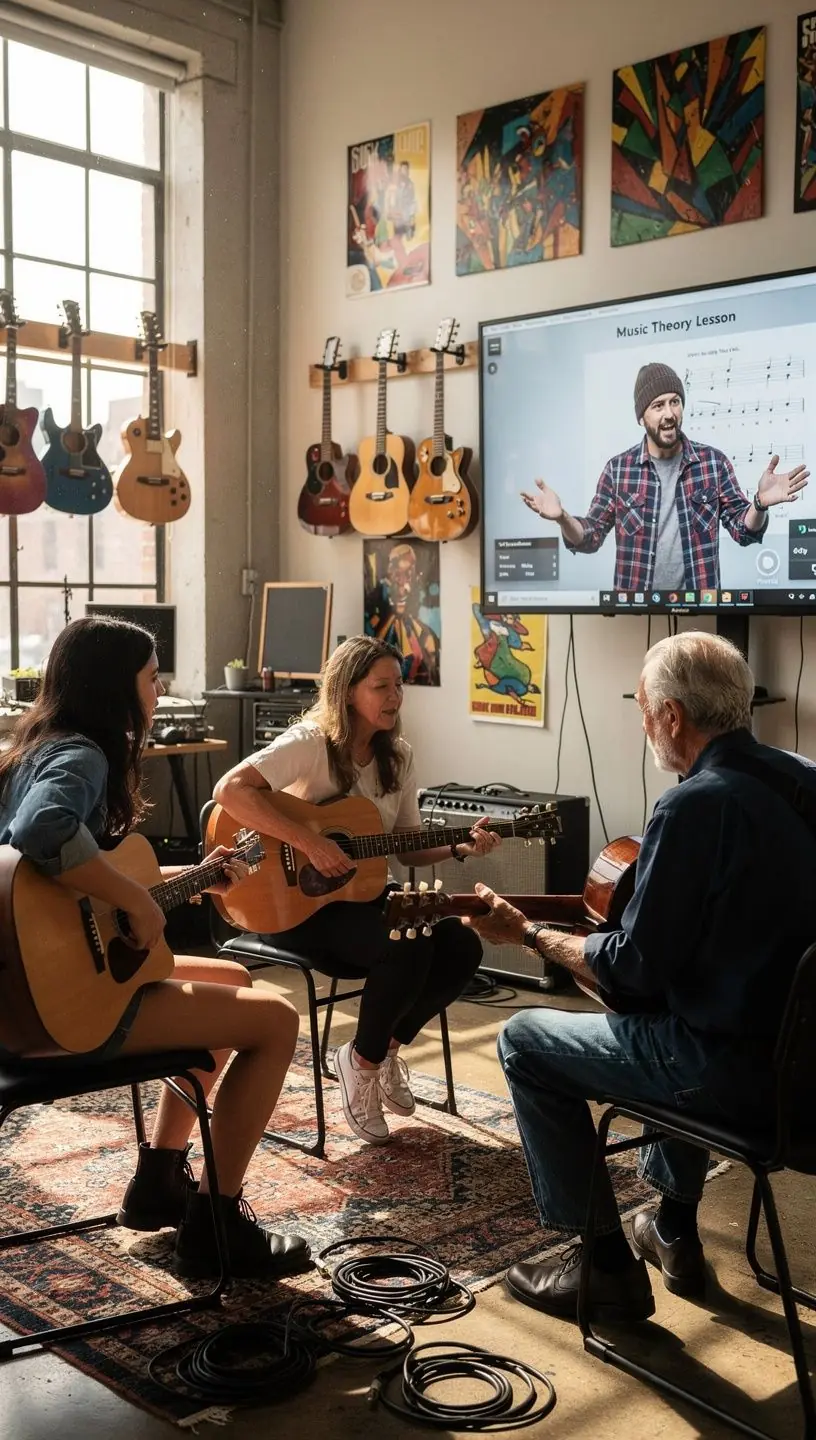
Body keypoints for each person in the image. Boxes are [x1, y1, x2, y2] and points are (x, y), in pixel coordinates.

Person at [464, 631, 816, 1323]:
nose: (645, 723)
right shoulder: (805, 778)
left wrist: (529, 935)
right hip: (808, 1077)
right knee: (673, 1013)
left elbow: (629, 974)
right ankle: (673, 1225)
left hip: (737, 1081)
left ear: (674, 717)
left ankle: (600, 1267)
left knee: (524, 1041)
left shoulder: (691, 807)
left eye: (644, 709)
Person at [0, 616, 310, 1281]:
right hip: (58, 1012)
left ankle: (159, 1181)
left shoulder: (32, 751)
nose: (158, 685)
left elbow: (76, 889)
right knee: (277, 1020)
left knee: (228, 977)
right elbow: (43, 831)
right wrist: (140, 902)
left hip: (18, 999)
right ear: (118, 687)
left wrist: (185, 879)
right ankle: (216, 1227)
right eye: (150, 674)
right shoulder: (83, 755)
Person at [213, 635, 499, 1145]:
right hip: (292, 907)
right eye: (381, 686)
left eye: (399, 686)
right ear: (348, 693)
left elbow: (407, 848)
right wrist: (309, 842)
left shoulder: (399, 758)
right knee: (404, 940)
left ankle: (377, 1051)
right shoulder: (308, 744)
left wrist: (459, 847)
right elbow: (230, 791)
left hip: (360, 900)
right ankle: (363, 1063)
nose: (394, 697)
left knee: (460, 942)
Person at [520, 362, 810, 591]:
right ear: (641, 417)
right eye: (658, 406)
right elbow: (590, 537)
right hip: (637, 617)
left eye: (675, 402)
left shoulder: (713, 463)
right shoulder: (618, 470)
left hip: (701, 617)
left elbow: (742, 531)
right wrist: (562, 518)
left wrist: (758, 503)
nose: (669, 413)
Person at [365, 542, 440, 685]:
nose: (402, 585)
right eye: (396, 575)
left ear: (416, 579)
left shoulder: (425, 635)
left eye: (408, 575)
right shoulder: (371, 628)